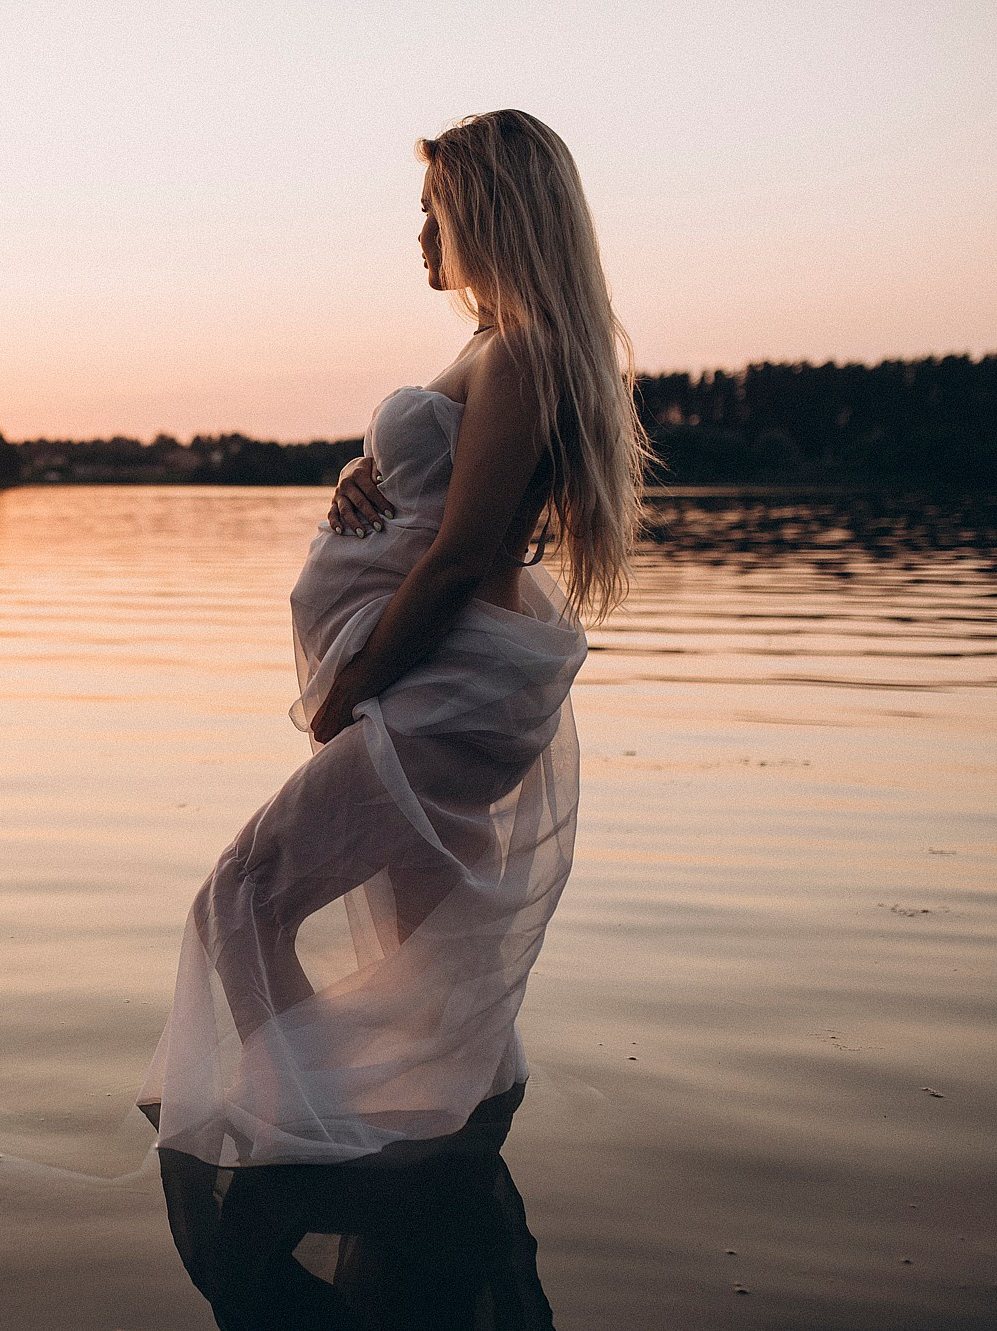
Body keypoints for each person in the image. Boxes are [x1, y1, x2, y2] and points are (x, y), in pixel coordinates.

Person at [136, 109, 660, 1187]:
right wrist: (357, 471)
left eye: (430, 210)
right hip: (437, 688)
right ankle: (452, 1143)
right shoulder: (494, 344)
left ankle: (305, 1125)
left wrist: (356, 689)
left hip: (432, 689)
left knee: (239, 894)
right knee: (425, 934)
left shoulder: (518, 353)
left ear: (483, 210)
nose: (417, 233)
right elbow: (438, 497)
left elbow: (467, 551)